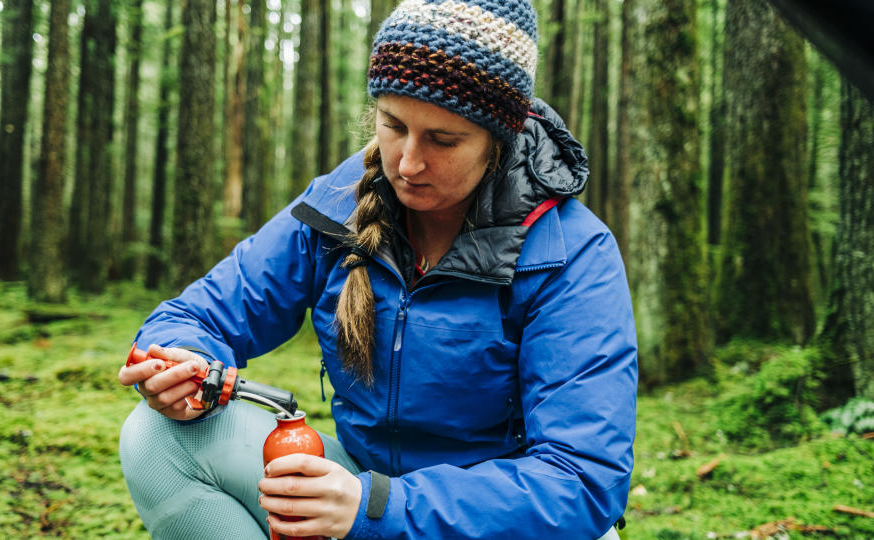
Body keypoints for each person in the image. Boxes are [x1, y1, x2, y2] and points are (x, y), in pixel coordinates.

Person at [117, 1, 637, 538]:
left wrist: (379, 507)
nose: (408, 162)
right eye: (393, 125)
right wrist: (184, 366)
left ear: (497, 141)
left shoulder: (569, 251)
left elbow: (582, 479)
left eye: (443, 139)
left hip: (480, 516)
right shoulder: (336, 205)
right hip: (359, 489)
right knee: (157, 440)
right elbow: (196, 316)